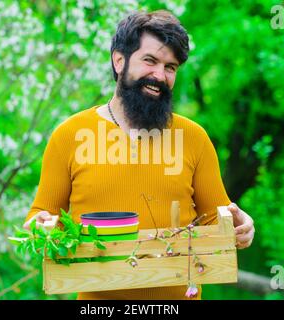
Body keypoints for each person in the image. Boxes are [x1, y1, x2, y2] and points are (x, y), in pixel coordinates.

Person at [23, 10, 255, 300]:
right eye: (150, 61)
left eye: (170, 67)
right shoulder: (69, 136)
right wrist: (39, 227)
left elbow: (215, 220)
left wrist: (238, 224)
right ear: (119, 61)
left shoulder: (194, 138)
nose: (159, 75)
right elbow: (41, 217)